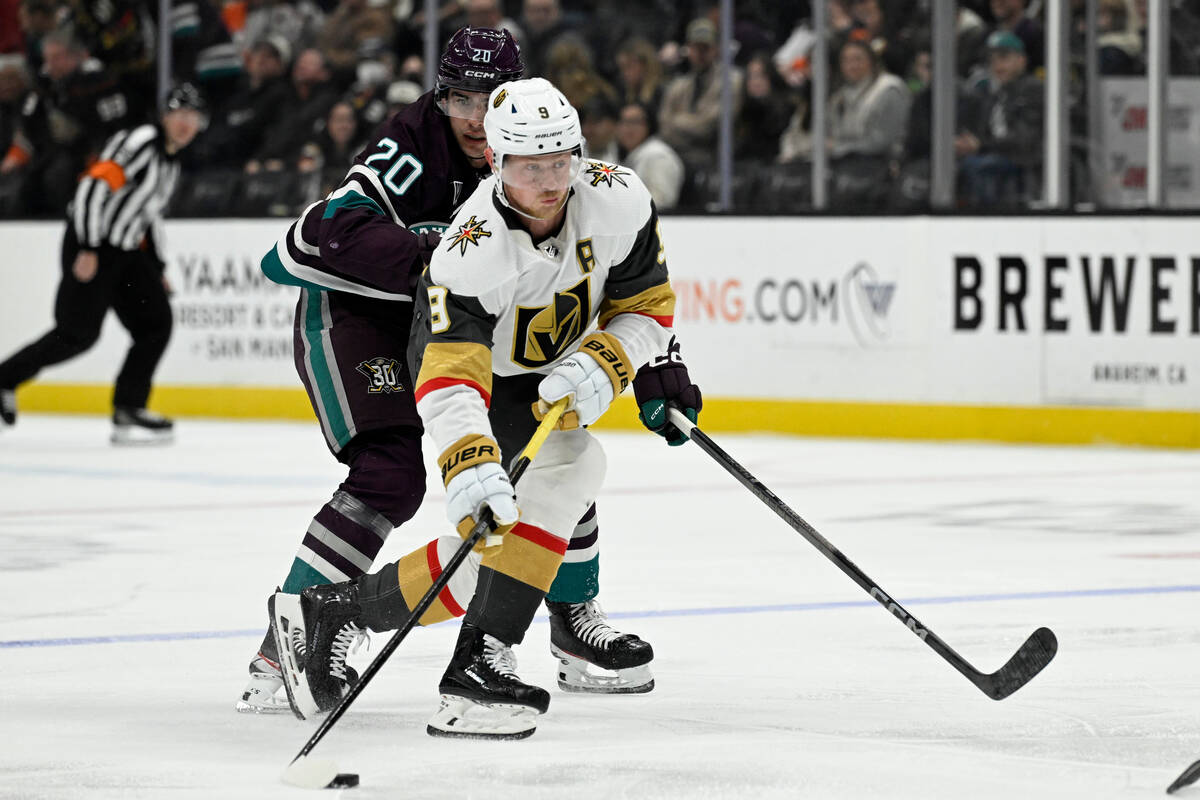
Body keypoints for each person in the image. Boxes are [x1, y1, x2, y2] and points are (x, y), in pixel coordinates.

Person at [239, 28, 671, 715]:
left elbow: (623, 285)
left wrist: (646, 363)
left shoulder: (544, 155)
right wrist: (435, 261)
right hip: (360, 318)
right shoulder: (412, 150)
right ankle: (281, 648)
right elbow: (309, 239)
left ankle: (569, 621)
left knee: (555, 442)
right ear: (440, 97)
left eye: (487, 98)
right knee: (391, 475)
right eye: (460, 99)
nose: (473, 116)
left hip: (464, 315)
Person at [0, 84, 206, 441]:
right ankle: (3, 379)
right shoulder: (142, 142)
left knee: (155, 323)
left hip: (126, 253)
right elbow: (93, 188)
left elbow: (147, 216)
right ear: (164, 116)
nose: (186, 123)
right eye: (179, 114)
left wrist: (157, 269)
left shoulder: (170, 160)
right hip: (92, 244)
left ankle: (129, 407)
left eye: (193, 117)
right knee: (76, 333)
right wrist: (89, 246)